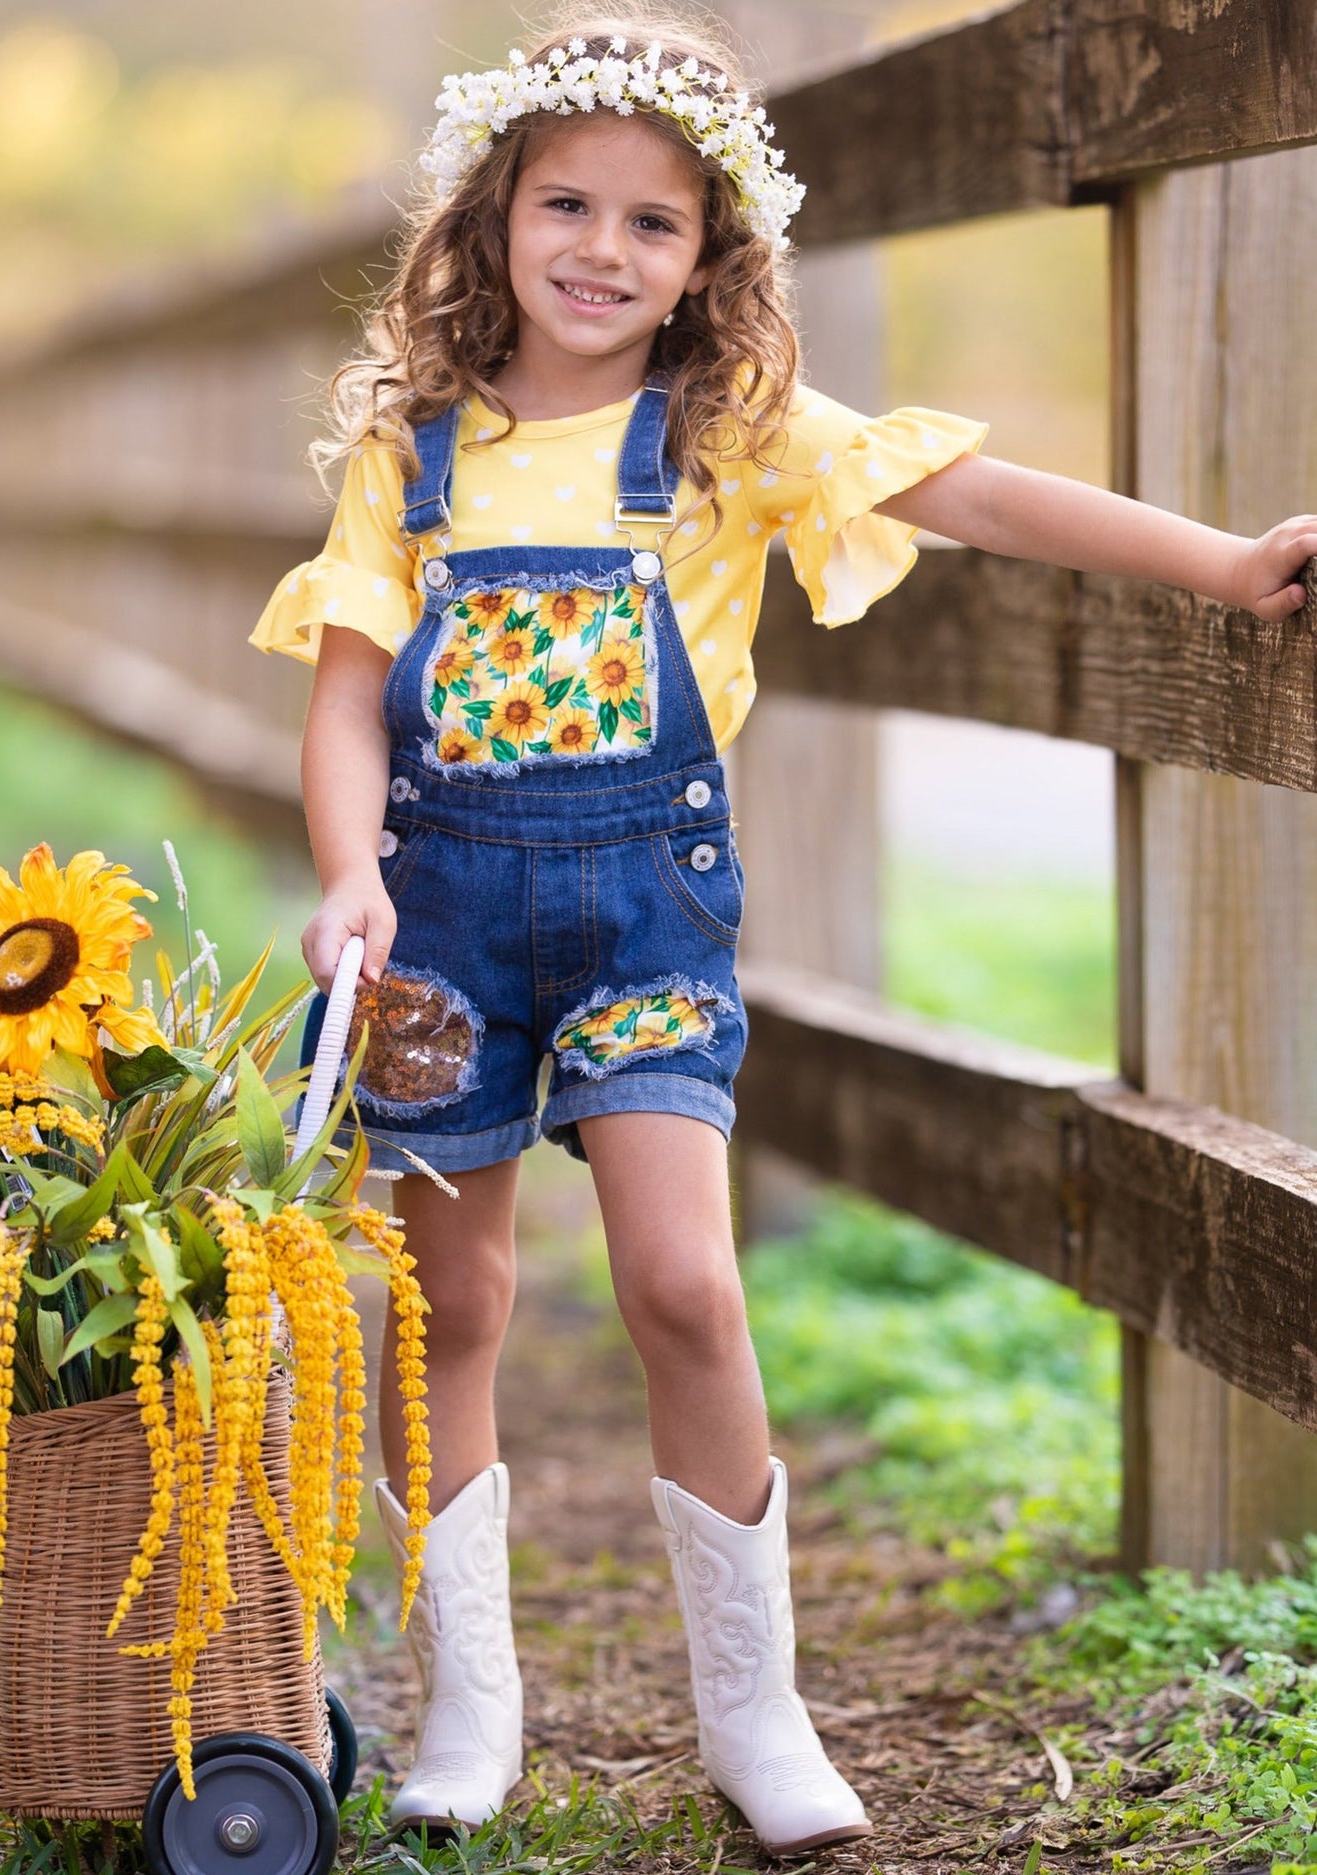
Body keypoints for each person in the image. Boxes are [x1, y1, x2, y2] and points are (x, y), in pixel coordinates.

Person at [250, 5, 1317, 1857]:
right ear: (492, 218)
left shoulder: (722, 425)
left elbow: (965, 489)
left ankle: (756, 1709)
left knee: (683, 1285)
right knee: (456, 1300)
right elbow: (348, 693)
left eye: (653, 224)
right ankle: (469, 1704)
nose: (602, 250)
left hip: (647, 919)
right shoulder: (412, 447)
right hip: (436, 923)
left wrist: (1223, 565)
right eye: (564, 205)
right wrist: (350, 869)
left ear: (711, 256)